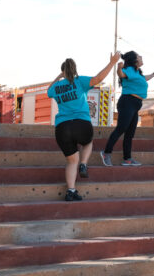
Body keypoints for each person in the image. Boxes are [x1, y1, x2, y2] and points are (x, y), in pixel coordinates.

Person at [48, 52, 121, 201]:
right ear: (75, 70)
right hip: (81, 124)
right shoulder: (80, 81)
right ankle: (83, 163)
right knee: (88, 142)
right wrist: (112, 63)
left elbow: (48, 91)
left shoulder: (57, 87)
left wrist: (59, 77)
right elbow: (99, 78)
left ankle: (71, 191)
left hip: (62, 128)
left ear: (63, 71)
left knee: (70, 161)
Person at [100, 51, 154, 166]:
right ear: (134, 60)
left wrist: (153, 75)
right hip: (127, 102)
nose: (141, 56)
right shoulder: (128, 70)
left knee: (130, 133)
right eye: (139, 56)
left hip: (135, 104)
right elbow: (121, 74)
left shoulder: (137, 72)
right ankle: (106, 153)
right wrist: (119, 68)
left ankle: (127, 159)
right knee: (121, 128)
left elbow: (144, 78)